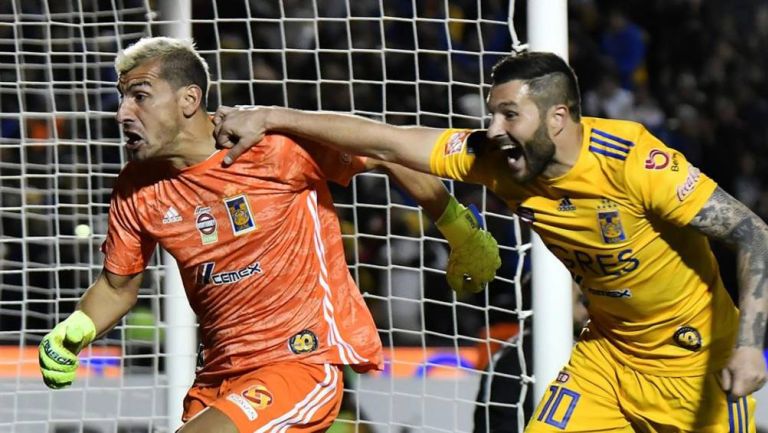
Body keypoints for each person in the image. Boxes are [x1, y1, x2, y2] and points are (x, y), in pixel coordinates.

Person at [212, 51, 768, 432]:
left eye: (509, 114)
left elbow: (751, 232)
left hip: (699, 363)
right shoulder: (497, 159)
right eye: (491, 113)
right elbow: (389, 141)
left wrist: (749, 345)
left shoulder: (638, 165)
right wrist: (273, 116)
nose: (494, 127)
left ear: (557, 117)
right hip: (609, 357)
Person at [37, 36, 501, 433]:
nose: (122, 113)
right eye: (122, 98)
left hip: (297, 363)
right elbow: (118, 286)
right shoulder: (138, 188)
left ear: (188, 100)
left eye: (139, 96)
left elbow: (385, 154)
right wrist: (75, 329)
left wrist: (460, 230)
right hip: (218, 376)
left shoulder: (270, 147)